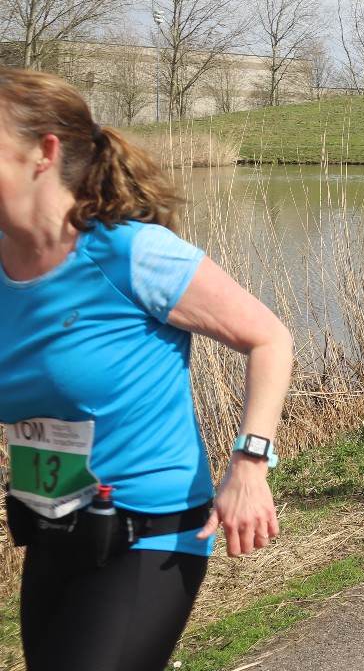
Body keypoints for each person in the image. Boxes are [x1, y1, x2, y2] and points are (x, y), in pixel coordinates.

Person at [0, 68, 293, 671]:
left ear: (43, 153)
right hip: (51, 525)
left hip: (148, 535)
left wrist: (250, 463)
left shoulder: (130, 253)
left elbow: (269, 338)